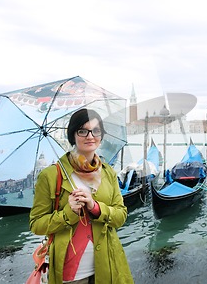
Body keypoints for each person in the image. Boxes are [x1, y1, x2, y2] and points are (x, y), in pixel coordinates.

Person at [30, 108, 134, 284]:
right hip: (70, 273)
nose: (90, 136)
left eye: (96, 130)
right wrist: (68, 213)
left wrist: (95, 207)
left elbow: (120, 216)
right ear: (73, 135)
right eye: (83, 131)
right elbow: (36, 225)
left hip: (108, 265)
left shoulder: (108, 172)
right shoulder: (51, 176)